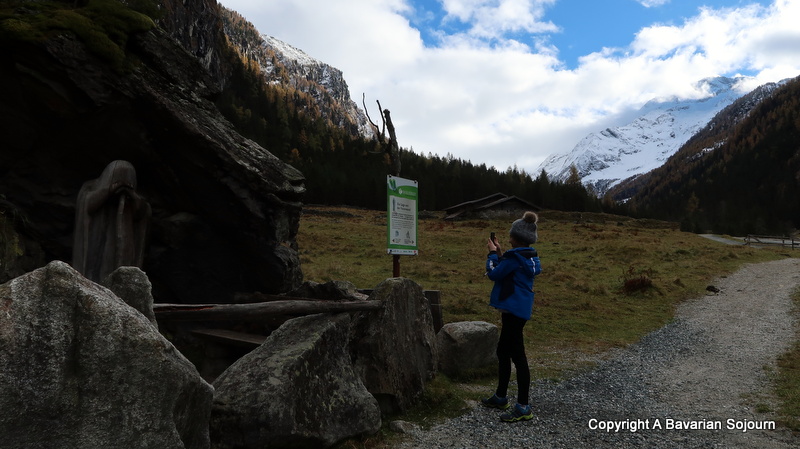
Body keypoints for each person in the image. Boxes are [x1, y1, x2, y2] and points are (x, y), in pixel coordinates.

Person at [481, 211, 542, 422]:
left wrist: (492, 254)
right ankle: (500, 396)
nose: (508, 239)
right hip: (518, 310)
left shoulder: (514, 258)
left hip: (512, 310)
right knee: (503, 351)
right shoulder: (527, 256)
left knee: (517, 356)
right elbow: (507, 269)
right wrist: (501, 254)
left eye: (511, 235)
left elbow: (494, 273)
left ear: (516, 237)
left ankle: (523, 406)